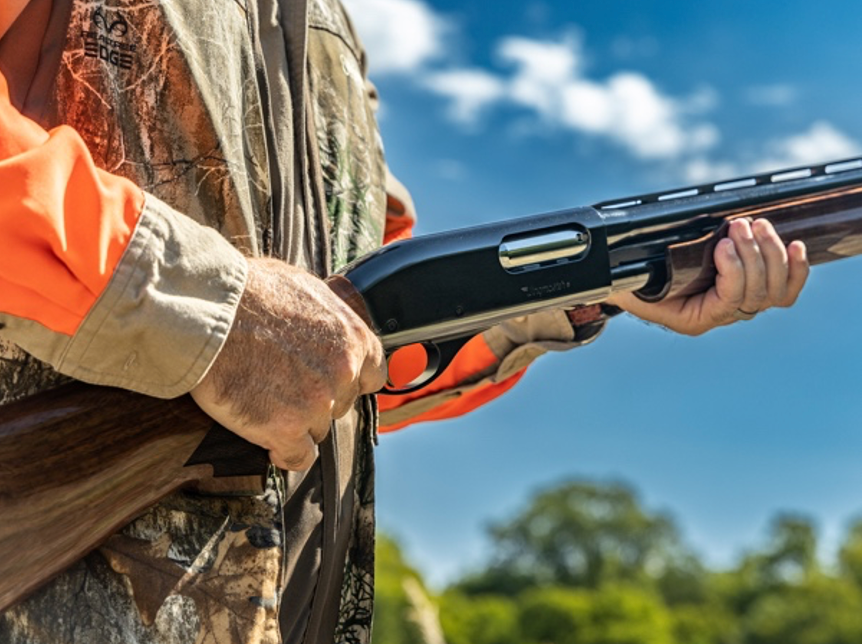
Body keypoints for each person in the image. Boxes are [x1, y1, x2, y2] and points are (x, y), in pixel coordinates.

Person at [0, 0, 808, 642]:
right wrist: (215, 308)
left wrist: (595, 289)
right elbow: (267, 329)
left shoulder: (327, 29)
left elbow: (343, 356)